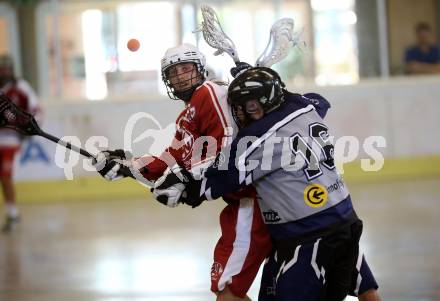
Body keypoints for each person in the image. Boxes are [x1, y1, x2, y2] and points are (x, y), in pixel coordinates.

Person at [152, 67, 381, 300]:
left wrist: (183, 188)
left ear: (256, 106)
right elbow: (313, 99)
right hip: (345, 219)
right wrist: (262, 80)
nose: (238, 113)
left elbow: (220, 175)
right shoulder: (306, 106)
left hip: (309, 233)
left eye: (242, 106)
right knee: (365, 290)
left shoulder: (260, 138)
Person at [93, 44, 272, 301]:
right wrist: (127, 165)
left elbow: (226, 149)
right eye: (173, 72)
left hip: (252, 202)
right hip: (243, 203)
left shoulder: (209, 93)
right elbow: (170, 158)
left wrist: (187, 182)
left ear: (200, 70)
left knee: (228, 291)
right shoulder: (187, 116)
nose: (179, 76)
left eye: (185, 68)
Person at [0, 54, 40, 232]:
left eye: (7, 67)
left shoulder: (21, 87)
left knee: (6, 176)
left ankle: (12, 213)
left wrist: (28, 130)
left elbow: (35, 110)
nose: (4, 71)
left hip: (11, 140)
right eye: (2, 67)